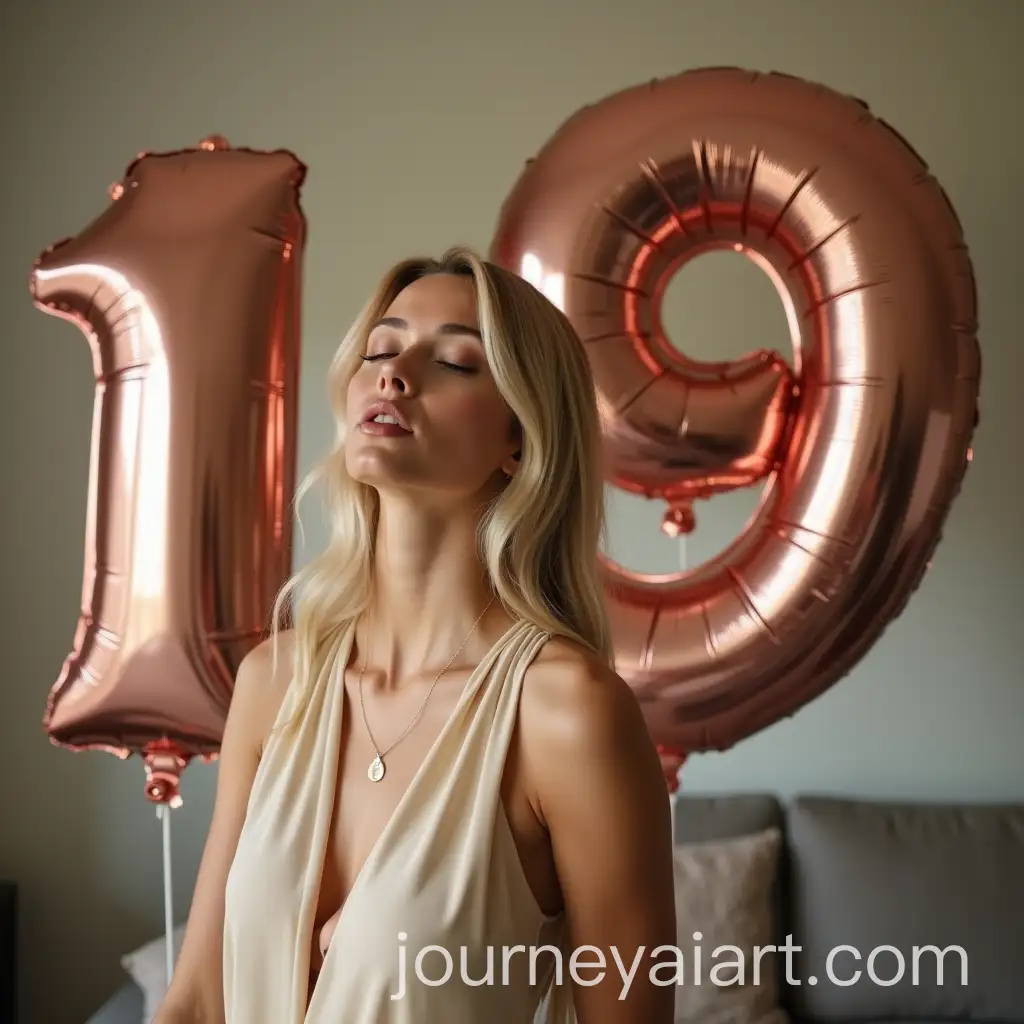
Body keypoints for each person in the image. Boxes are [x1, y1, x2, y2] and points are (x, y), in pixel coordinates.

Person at [154, 246, 676, 1023]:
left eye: (457, 362)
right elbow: (197, 1000)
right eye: (381, 350)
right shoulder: (275, 680)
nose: (394, 376)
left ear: (520, 441)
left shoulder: (567, 712)